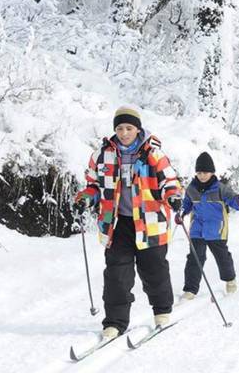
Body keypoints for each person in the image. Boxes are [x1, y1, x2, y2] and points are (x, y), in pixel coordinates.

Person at [74, 106, 182, 340]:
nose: (124, 133)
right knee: (116, 274)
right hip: (117, 223)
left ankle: (161, 311)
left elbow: (170, 181)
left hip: (150, 221)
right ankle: (114, 323)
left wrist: (173, 195)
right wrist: (86, 197)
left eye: (129, 128)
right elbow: (93, 184)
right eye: (120, 128)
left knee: (154, 269)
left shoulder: (153, 154)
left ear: (137, 129)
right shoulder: (102, 155)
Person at [175, 152, 239, 301]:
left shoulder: (221, 188)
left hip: (217, 229)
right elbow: (186, 205)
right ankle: (190, 290)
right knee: (194, 258)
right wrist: (181, 213)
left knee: (222, 257)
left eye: (205, 172)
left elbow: (234, 203)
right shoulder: (191, 189)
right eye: (199, 172)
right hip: (197, 230)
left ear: (212, 172)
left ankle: (230, 280)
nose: (202, 175)